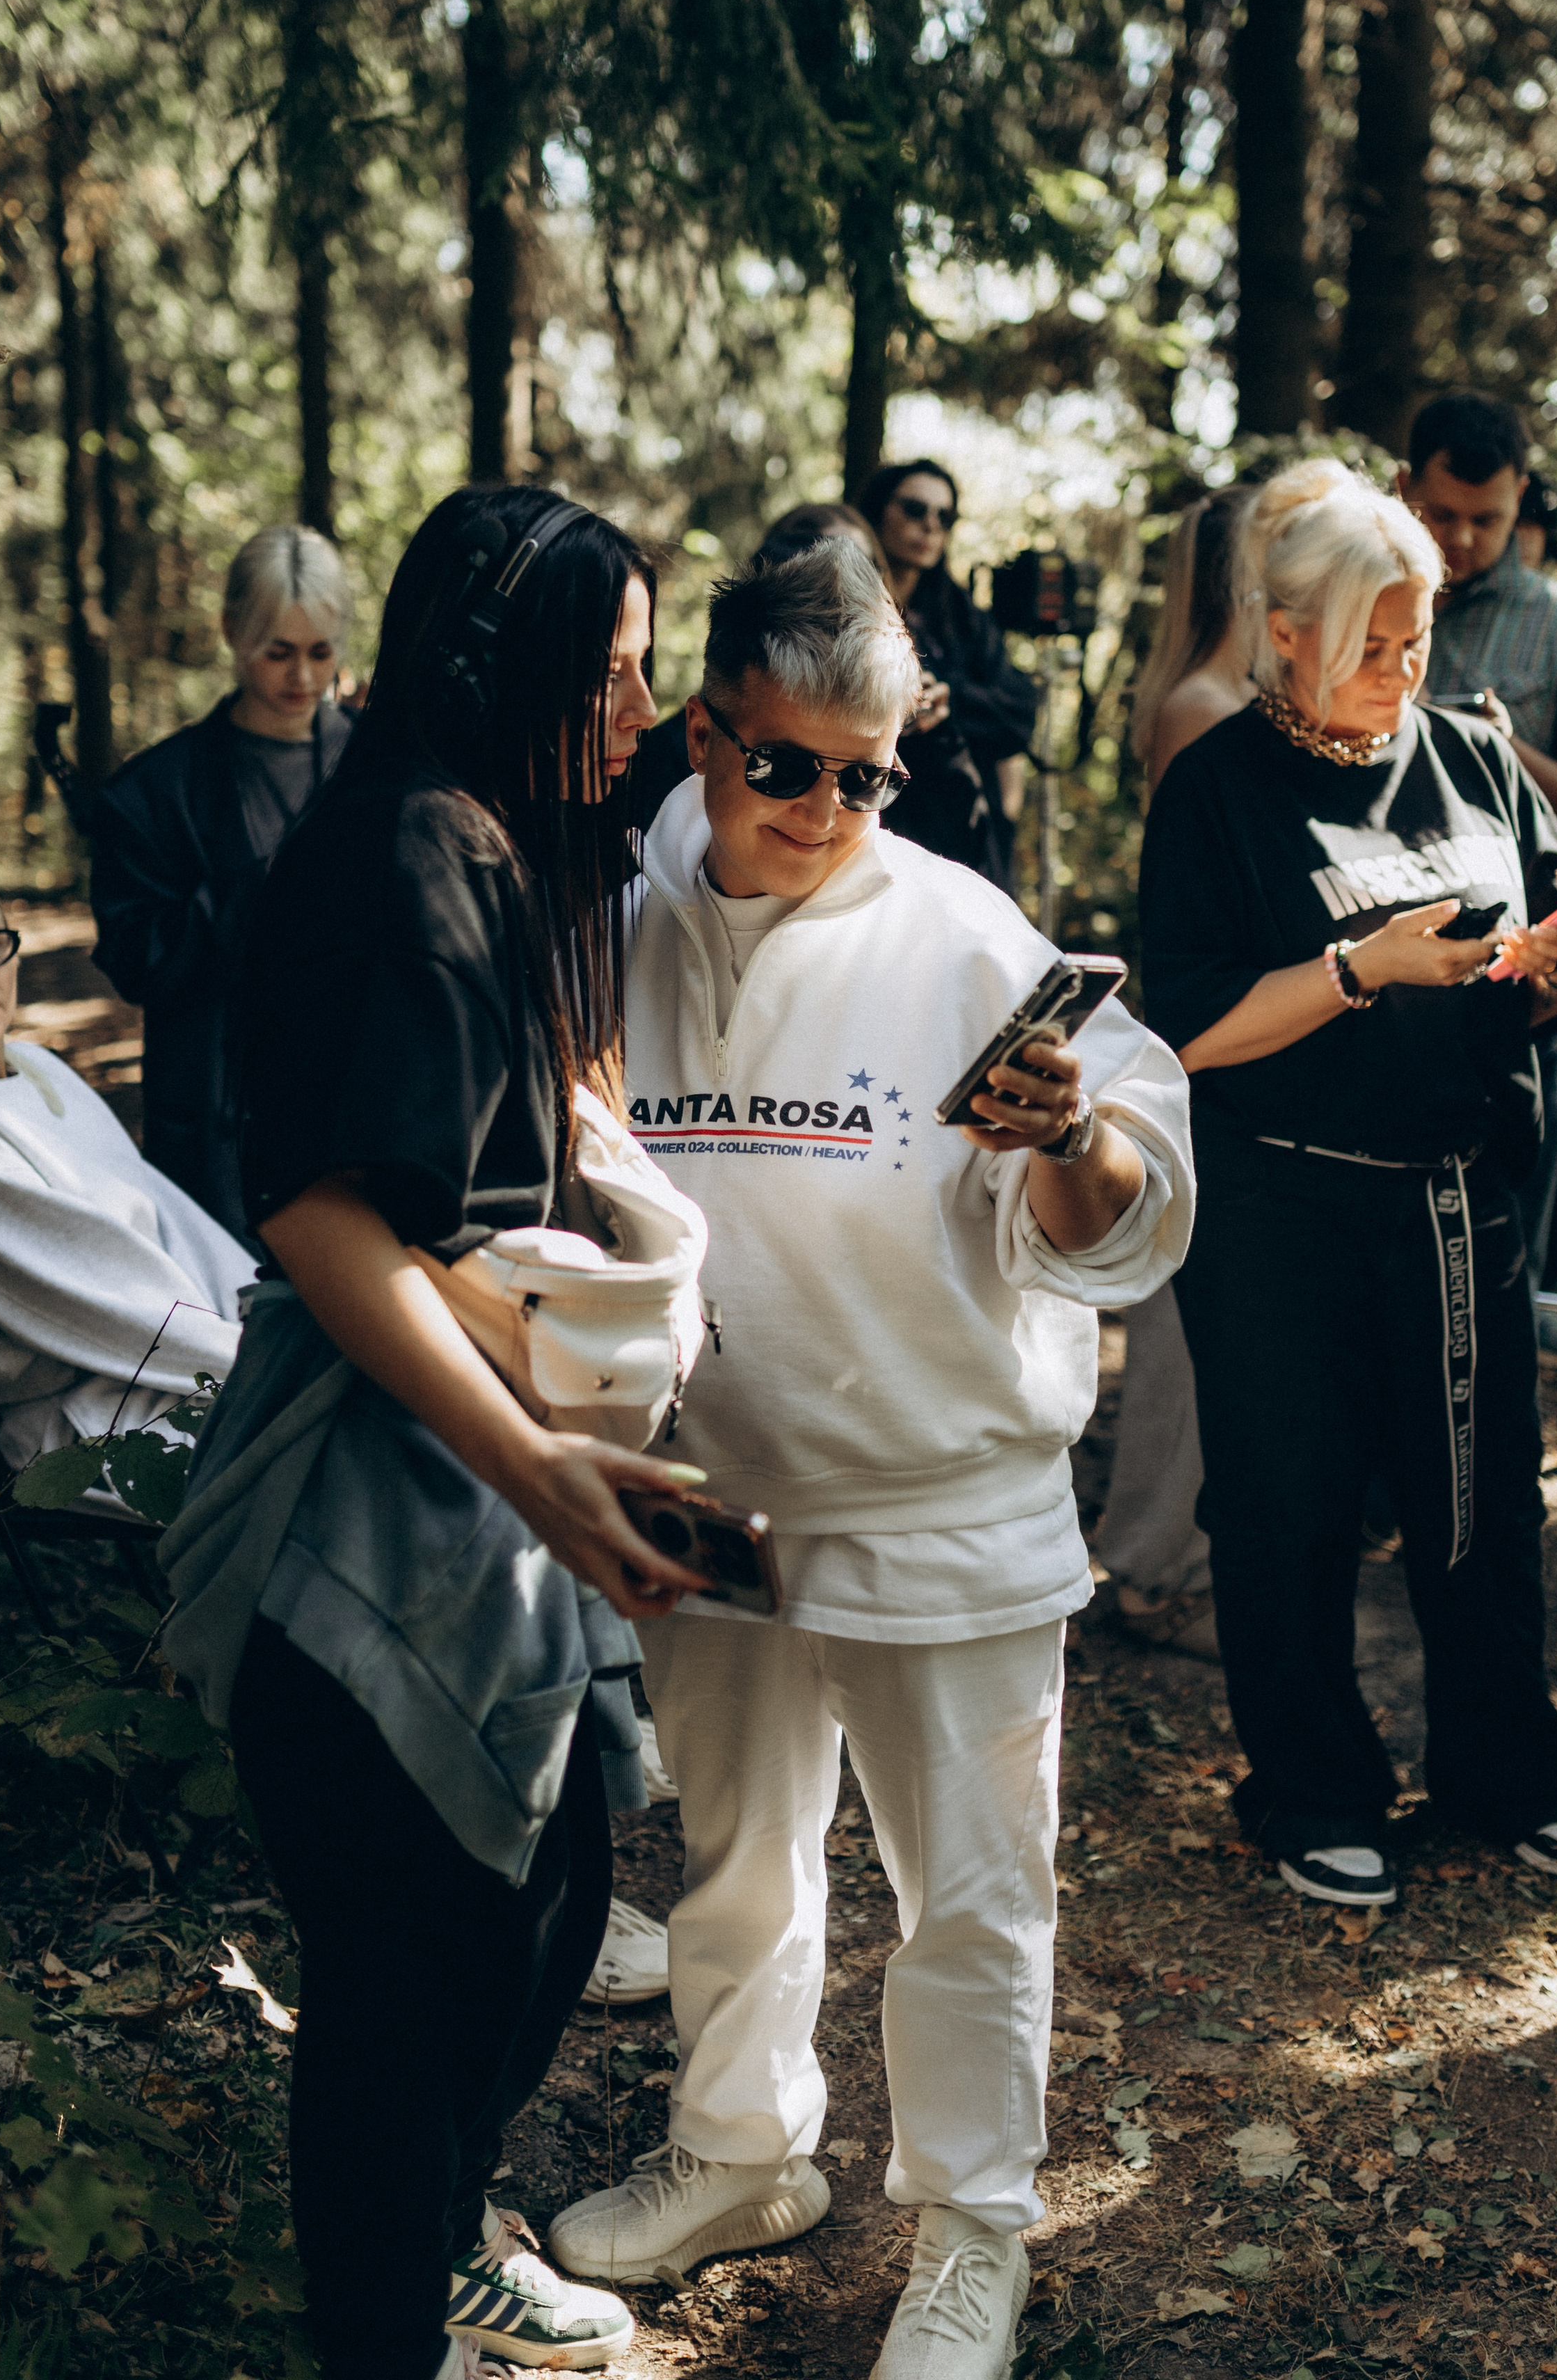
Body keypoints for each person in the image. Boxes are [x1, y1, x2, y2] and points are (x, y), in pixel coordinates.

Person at [549, 539, 1193, 2380]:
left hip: (942, 1491)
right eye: (784, 766)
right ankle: (739, 2153)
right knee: (736, 1860)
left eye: (868, 775)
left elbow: (1122, 1217)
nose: (826, 811)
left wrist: (1067, 1137)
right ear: (701, 733)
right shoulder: (611, 916)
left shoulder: (968, 937)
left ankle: (974, 2229)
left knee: (970, 1891)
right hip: (718, 1491)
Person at [157, 485, 717, 2380]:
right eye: (612, 673)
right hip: (374, 1505)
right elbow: (330, 1221)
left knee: (540, 1912)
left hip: (477, 1488)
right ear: (505, 668)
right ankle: (388, 2330)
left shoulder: (489, 837)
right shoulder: (405, 856)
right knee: (407, 1983)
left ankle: (441, 2250)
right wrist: (536, 1463)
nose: (640, 712)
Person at [1140, 458, 1557, 1912]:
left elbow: (1547, 937)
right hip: (1281, 1208)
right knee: (1285, 1506)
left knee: (1481, 1501)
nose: (1400, 669)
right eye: (1370, 643)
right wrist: (1361, 968)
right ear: (1284, 632)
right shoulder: (1218, 786)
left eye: (1416, 639)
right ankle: (1312, 1786)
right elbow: (1188, 1033)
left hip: (1456, 1196)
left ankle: (1504, 1769)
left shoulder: (1470, 757)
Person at [0, 860, 253, 1475]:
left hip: (179, 1356)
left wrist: (265, 1319)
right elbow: (101, 1304)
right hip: (101, 1416)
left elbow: (164, 1221)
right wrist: (262, 1365)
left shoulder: (37, 1065)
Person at [1403, 393, 1557, 1352]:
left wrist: (1503, 755)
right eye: (1441, 514)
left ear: (1520, 499)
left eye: (1486, 519)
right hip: (1383, 962)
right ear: (1403, 487)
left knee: (1509, 1207)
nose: (1461, 540)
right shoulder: (1360, 609)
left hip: (1529, 970)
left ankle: (1507, 1363)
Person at [90, 525, 356, 1242]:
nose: (303, 679)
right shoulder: (155, 792)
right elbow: (136, 960)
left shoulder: (377, 763)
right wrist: (254, 889)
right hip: (218, 1127)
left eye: (321, 653)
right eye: (279, 652)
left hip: (357, 1105)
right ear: (233, 631)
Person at [1099, 490, 1254, 1659]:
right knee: (1182, 1319)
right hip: (1218, 1036)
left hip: (1256, 1035)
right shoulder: (1204, 708)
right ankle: (1154, 1570)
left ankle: (1186, 1557)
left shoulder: (1235, 700)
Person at [630, 503, 890, 833]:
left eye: (866, 779)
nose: (822, 819)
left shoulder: (903, 723)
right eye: (783, 769)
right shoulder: (661, 754)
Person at [857, 461, 1040, 891]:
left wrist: (948, 698)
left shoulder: (962, 618)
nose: (930, 526)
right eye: (915, 509)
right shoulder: (842, 605)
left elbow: (1019, 711)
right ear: (879, 510)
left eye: (945, 516)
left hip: (956, 831)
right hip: (872, 819)